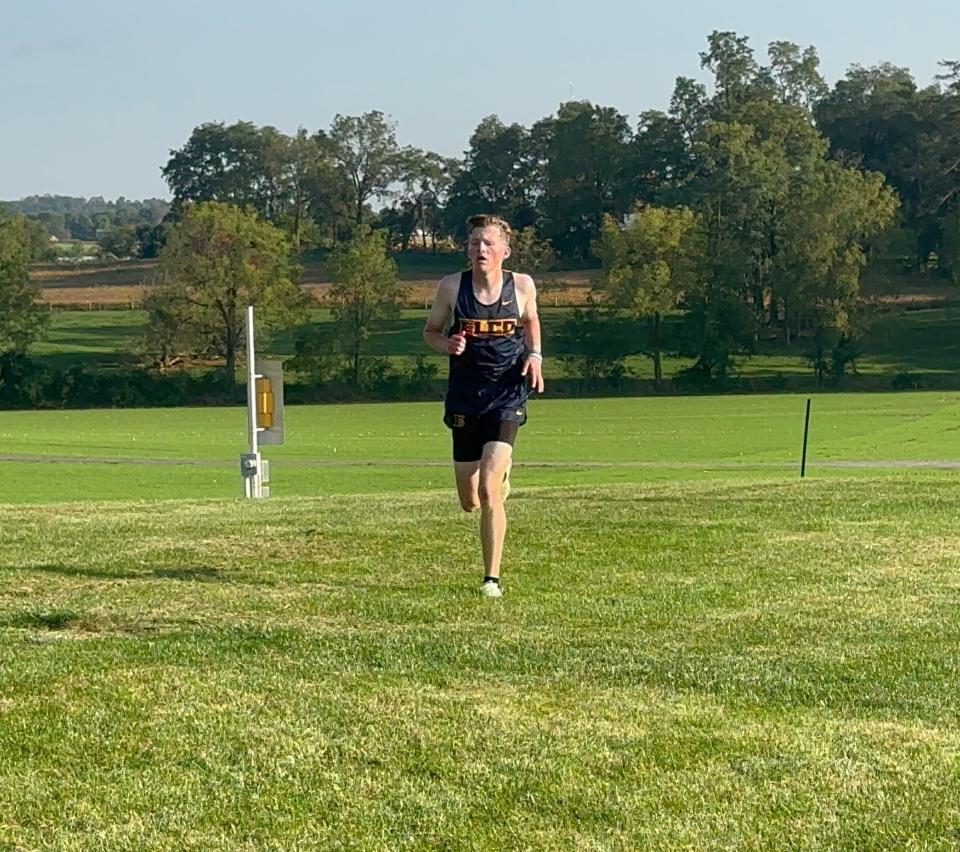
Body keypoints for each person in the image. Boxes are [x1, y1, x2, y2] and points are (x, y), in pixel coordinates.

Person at [423, 214, 544, 598]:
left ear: (504, 252)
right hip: (465, 396)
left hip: (507, 393)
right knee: (470, 500)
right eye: (475, 243)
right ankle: (499, 477)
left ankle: (491, 579)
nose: (481, 250)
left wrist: (536, 355)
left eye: (489, 243)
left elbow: (531, 319)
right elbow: (430, 331)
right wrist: (447, 345)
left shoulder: (522, 285)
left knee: (491, 491)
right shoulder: (451, 287)